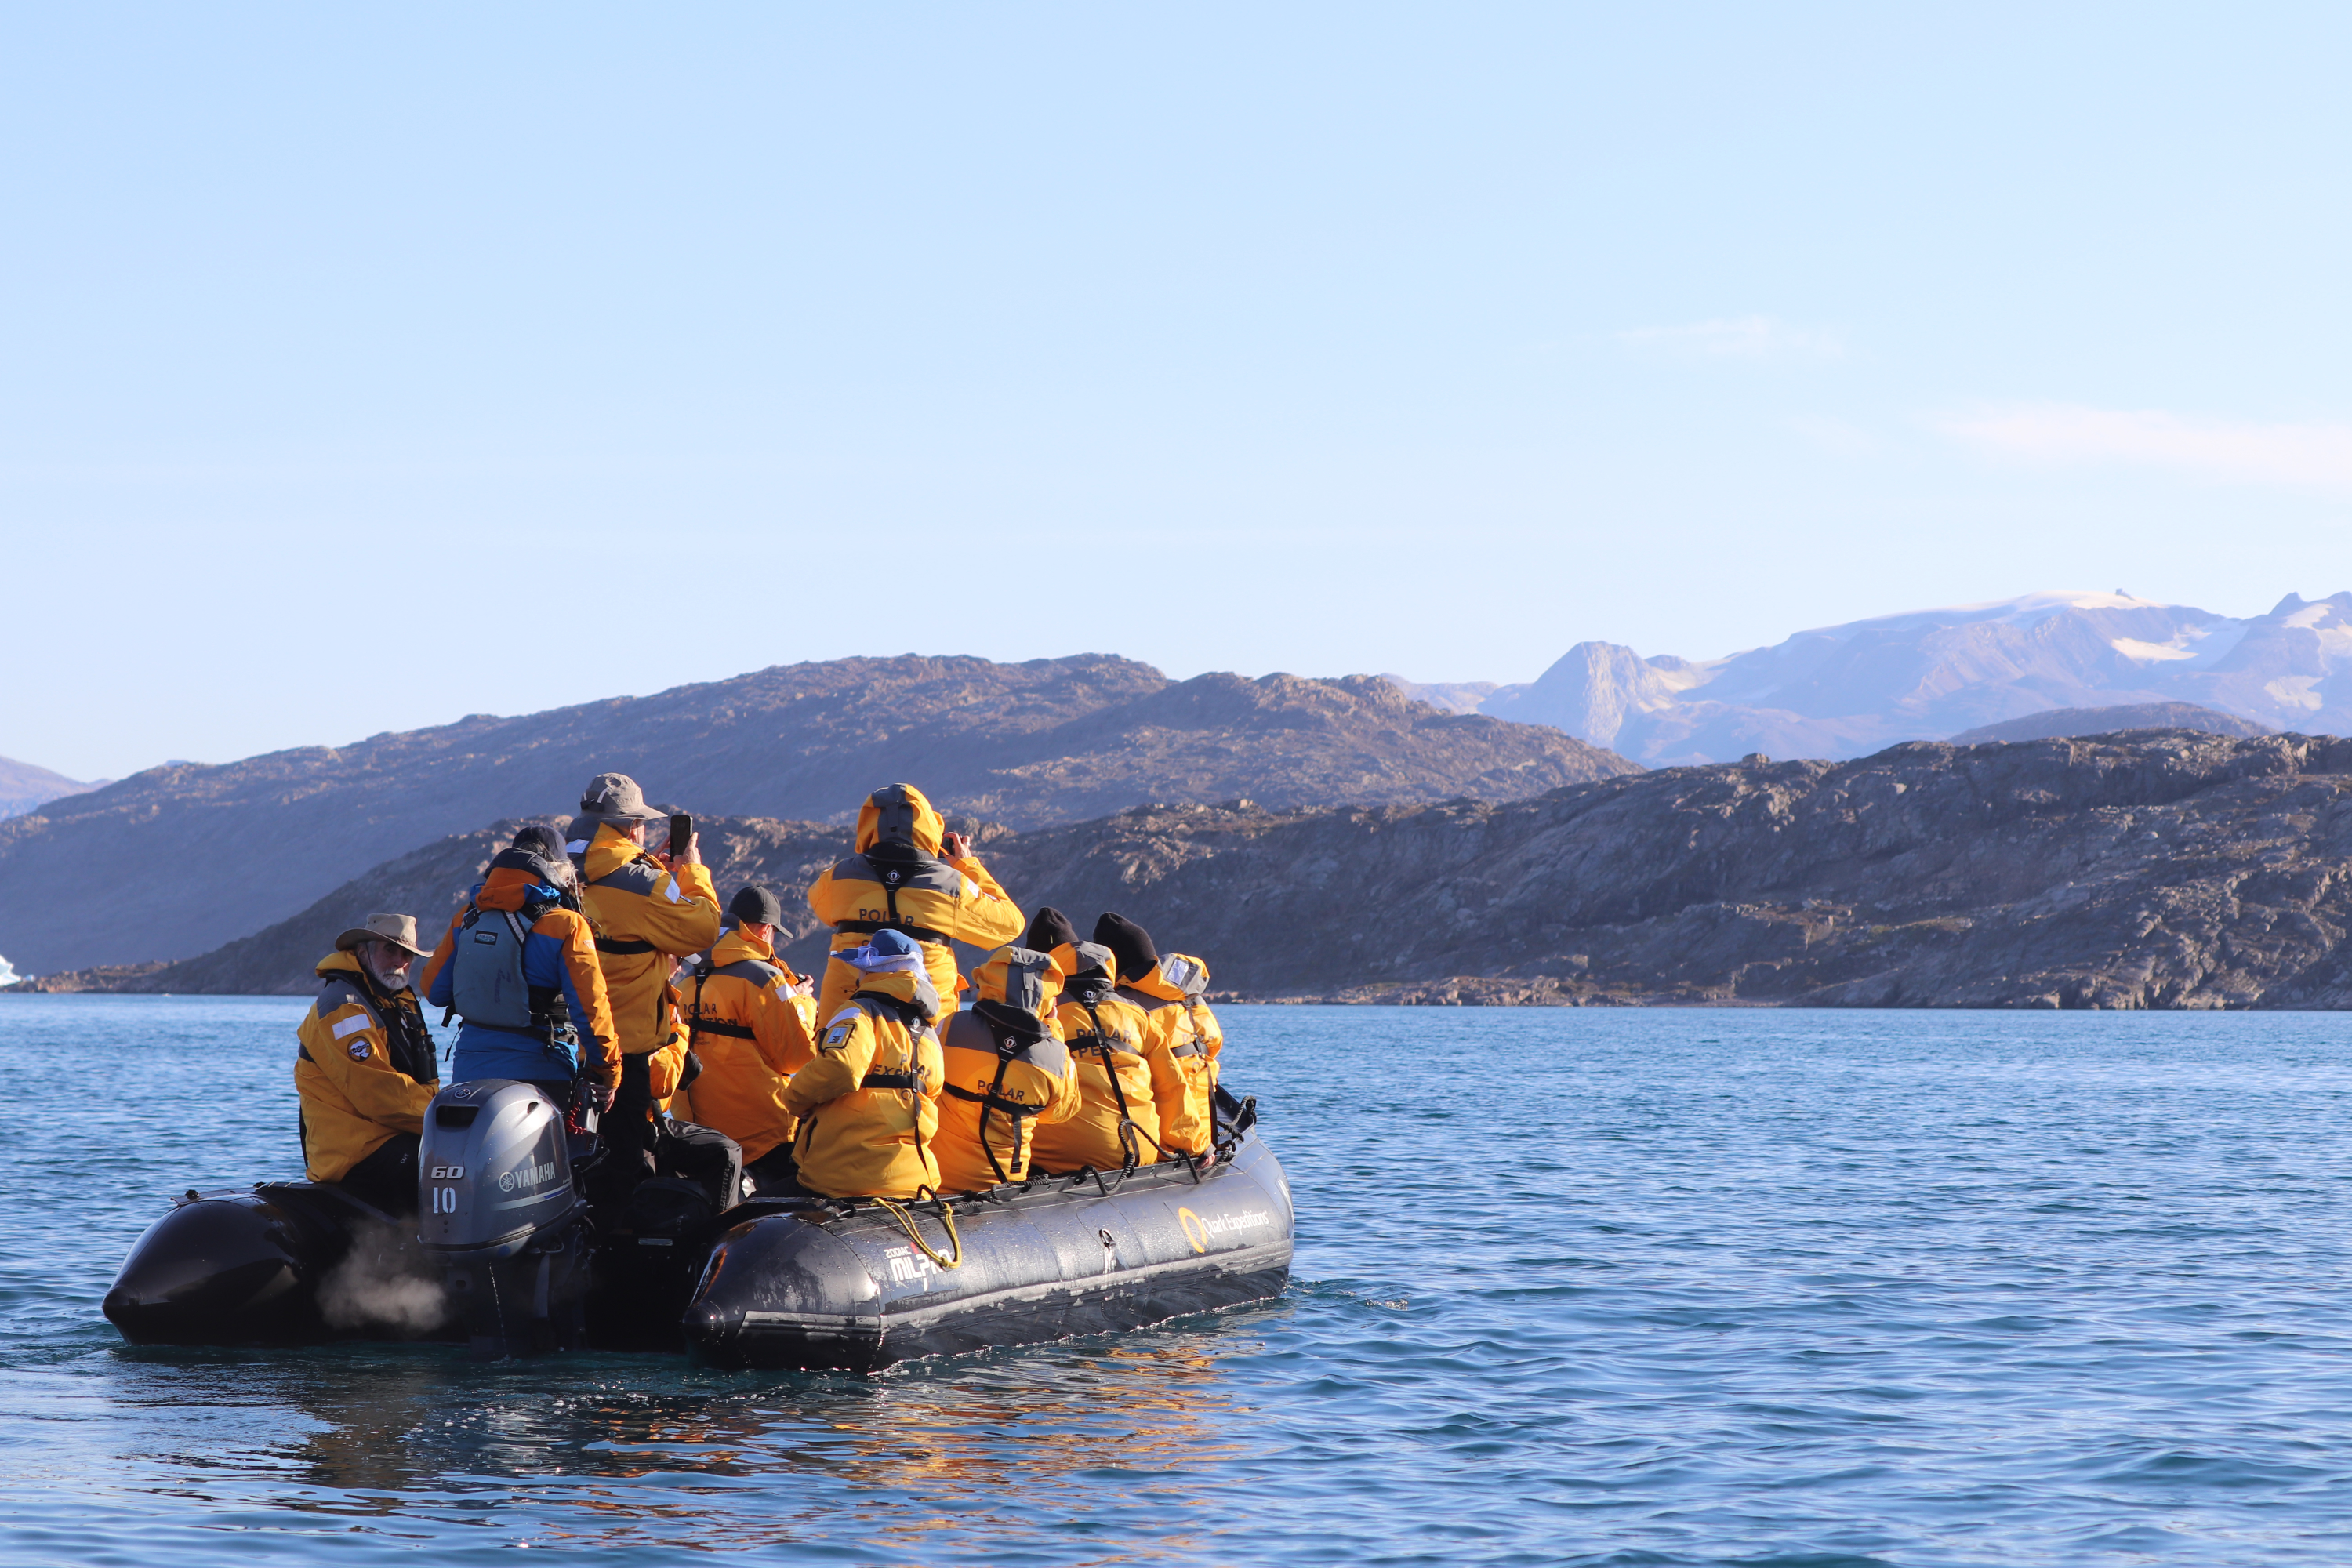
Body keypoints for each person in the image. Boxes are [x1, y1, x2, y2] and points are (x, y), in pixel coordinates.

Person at [565, 772, 724, 1192]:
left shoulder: (563, 870)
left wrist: (649, 867)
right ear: (632, 826)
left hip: (566, 1050)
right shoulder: (643, 885)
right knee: (623, 1168)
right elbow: (704, 929)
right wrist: (690, 873)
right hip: (623, 1050)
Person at [419, 823, 618, 1106]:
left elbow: (434, 991)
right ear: (563, 871)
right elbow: (591, 1011)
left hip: (469, 1075)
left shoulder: (468, 917)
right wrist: (608, 1073)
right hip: (541, 1074)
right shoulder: (566, 923)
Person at [805, 782, 1025, 1029]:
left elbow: (820, 907)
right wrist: (968, 866)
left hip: (846, 1009)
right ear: (929, 828)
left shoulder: (839, 876)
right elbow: (1009, 925)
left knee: (839, 1063)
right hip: (926, 1012)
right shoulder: (953, 884)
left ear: (868, 826)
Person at [674, 885, 818, 1195]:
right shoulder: (765, 979)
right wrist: (802, 1002)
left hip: (701, 1129)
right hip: (760, 1133)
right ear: (765, 930)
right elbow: (796, 1057)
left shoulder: (688, 977)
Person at [782, 929, 946, 1199]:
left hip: (844, 1177)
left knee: (749, 1217)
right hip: (916, 1182)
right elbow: (933, 1092)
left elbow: (841, 1068)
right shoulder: (929, 1031)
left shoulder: (858, 1012)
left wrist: (794, 1098)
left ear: (871, 971)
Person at [295, 913, 441, 1215]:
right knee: (452, 1168)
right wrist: (444, 1121)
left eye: (407, 954)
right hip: (354, 1153)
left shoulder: (395, 1002)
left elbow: (422, 1084)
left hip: (391, 1135)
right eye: (389, 950)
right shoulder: (343, 1007)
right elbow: (379, 1094)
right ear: (362, 952)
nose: (400, 960)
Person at [1022, 907, 1167, 1175]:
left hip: (1064, 1157)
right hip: (1144, 1148)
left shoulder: (1039, 1017)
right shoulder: (1138, 1015)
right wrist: (1189, 1146)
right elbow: (1172, 1085)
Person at [934, 944, 1080, 1193]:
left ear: (987, 981)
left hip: (939, 1178)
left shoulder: (950, 1026)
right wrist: (1052, 1031)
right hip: (1004, 1184)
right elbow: (1061, 1113)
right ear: (1049, 998)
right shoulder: (1057, 1056)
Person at [1094, 913, 1219, 1161]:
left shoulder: (1125, 1006)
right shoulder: (1192, 997)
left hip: (1173, 1142)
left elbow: (1165, 1084)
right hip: (1209, 1128)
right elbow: (1213, 1049)